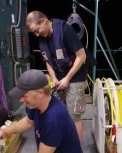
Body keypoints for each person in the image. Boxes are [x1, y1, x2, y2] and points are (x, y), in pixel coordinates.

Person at [26, 10, 87, 143]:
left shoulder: (66, 31)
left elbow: (81, 56)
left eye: (37, 30)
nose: (37, 35)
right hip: (58, 80)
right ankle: (64, 143)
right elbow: (48, 61)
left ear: (43, 21)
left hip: (75, 78)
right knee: (59, 113)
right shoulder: (42, 38)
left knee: (74, 117)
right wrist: (54, 79)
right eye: (34, 33)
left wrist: (67, 79)